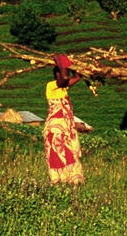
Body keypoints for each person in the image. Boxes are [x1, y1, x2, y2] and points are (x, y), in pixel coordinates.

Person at [43, 54, 84, 185]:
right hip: (55, 130)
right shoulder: (51, 86)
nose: (65, 76)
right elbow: (66, 77)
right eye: (61, 72)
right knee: (57, 156)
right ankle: (59, 183)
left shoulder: (64, 88)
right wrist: (59, 63)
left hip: (66, 129)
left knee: (70, 154)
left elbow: (77, 77)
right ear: (57, 75)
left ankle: (71, 183)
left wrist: (72, 65)